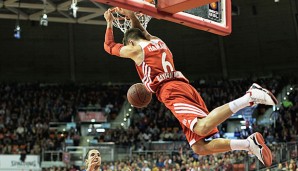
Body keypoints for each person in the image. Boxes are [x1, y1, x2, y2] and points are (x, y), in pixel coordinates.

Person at [103, 8, 278, 167]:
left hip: (170, 91)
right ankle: (249, 144)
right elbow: (142, 33)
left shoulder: (135, 50)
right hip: (181, 86)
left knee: (201, 128)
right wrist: (132, 15)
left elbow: (109, 46)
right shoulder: (157, 41)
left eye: (127, 45)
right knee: (199, 147)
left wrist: (109, 22)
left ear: (131, 43)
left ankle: (249, 97)